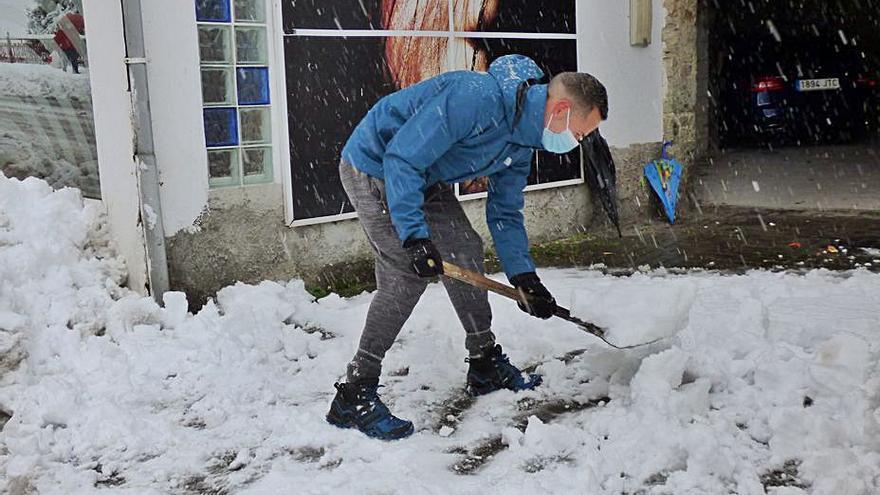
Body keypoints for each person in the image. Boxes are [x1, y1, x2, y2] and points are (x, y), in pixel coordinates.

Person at [326, 54, 608, 440]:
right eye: (580, 133)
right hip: (376, 165)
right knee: (405, 276)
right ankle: (355, 392)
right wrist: (415, 237)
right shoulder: (475, 98)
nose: (577, 143)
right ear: (560, 109)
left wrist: (524, 277)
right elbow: (401, 158)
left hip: (420, 174)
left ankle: (484, 361)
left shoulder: (522, 142)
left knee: (464, 248)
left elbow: (506, 213)